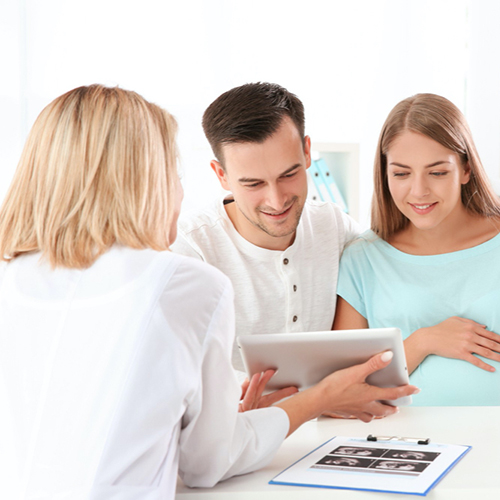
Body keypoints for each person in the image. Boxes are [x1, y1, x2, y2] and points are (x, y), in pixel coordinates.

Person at [0, 85, 417, 499]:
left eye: (289, 173)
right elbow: (210, 461)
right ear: (140, 183)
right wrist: (320, 396)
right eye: (172, 173)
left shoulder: (16, 279)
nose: (179, 192)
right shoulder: (183, 282)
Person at [171, 82, 500, 373]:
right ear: (221, 175)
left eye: (289, 174)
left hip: (326, 431)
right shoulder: (189, 254)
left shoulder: (336, 231)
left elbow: (407, 249)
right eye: (253, 184)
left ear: (308, 152)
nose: (276, 200)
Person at [334, 93, 500, 407]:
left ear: (466, 169)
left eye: (437, 172)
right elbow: (346, 389)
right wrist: (423, 342)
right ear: (384, 174)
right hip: (407, 447)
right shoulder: (362, 259)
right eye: (401, 173)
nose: (419, 191)